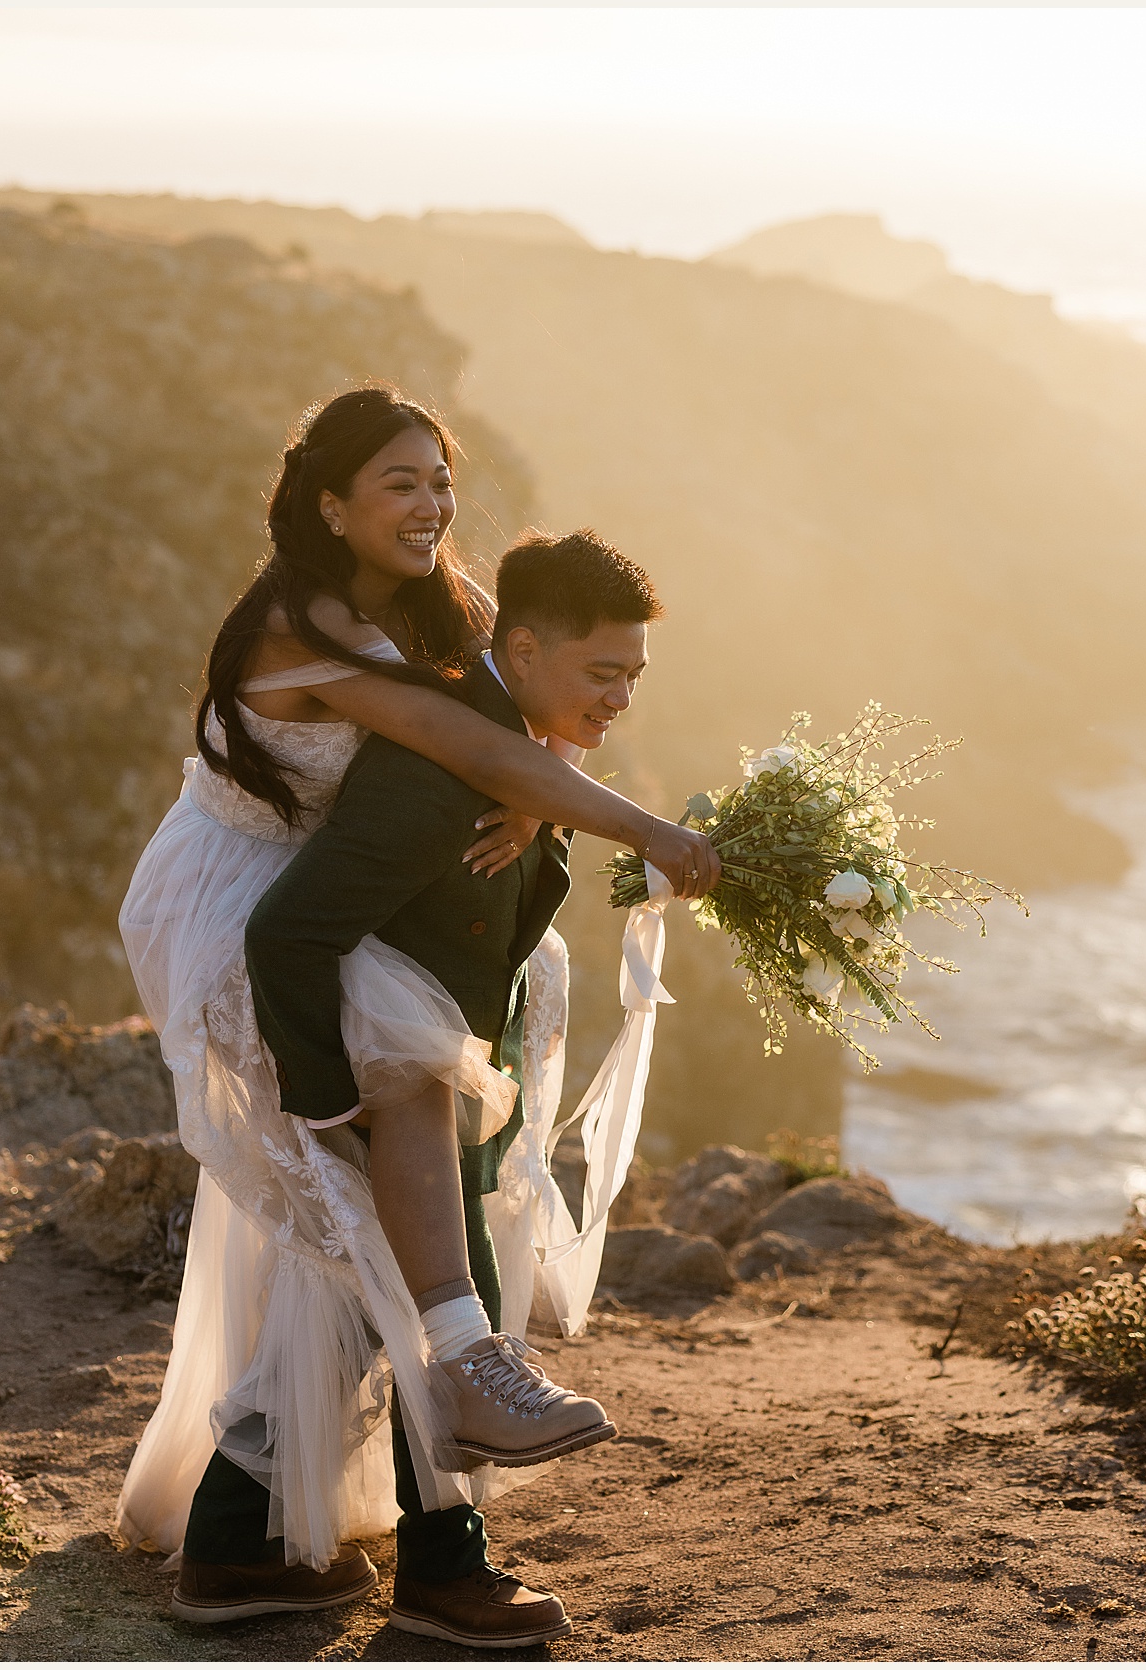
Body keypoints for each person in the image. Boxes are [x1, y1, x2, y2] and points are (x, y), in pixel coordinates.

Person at [111, 389, 703, 1632]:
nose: (433, 504)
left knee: (359, 1236)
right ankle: (442, 1534)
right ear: (330, 504)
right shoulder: (298, 616)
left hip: (353, 896)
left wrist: (546, 797)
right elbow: (462, 741)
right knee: (395, 1157)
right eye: (399, 482)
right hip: (241, 893)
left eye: (441, 479)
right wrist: (647, 830)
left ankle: (247, 1541)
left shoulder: (445, 602)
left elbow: (509, 709)